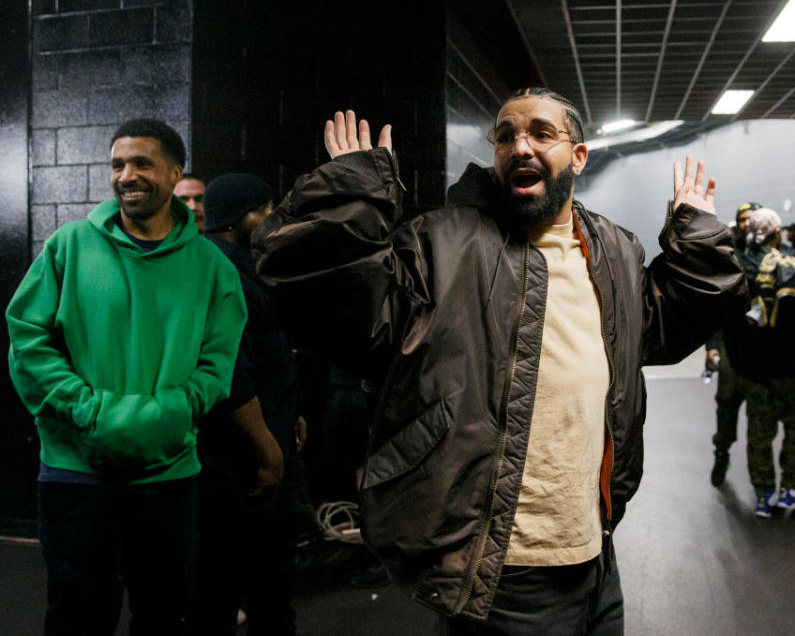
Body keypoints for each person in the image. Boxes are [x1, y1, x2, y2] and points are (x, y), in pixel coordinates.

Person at [252, 88, 748, 634]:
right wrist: (346, 198)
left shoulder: (613, 250)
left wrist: (697, 239)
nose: (520, 146)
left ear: (578, 157)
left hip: (594, 551)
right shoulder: (441, 243)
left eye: (541, 132)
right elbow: (339, 306)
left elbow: (665, 326)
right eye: (506, 135)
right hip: (502, 566)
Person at [5, 119, 247, 635]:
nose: (126, 175)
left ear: (175, 172)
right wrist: (86, 409)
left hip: (168, 476)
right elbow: (28, 338)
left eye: (142, 163)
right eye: (118, 164)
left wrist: (173, 411)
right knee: (76, 615)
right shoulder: (69, 245)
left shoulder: (212, 267)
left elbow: (218, 362)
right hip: (75, 473)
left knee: (161, 614)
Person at [194, 173, 306, 635]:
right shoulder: (218, 269)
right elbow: (231, 374)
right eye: (265, 209)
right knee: (238, 588)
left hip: (260, 445)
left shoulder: (240, 262)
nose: (273, 218)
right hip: (241, 462)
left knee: (264, 584)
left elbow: (265, 354)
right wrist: (268, 450)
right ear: (242, 216)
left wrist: (290, 414)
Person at [725, 208, 795, 516]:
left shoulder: (736, 270)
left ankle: (763, 495)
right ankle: (789, 490)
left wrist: (738, 360)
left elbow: (728, 323)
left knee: (759, 432)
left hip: (755, 371)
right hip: (793, 368)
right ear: (778, 233)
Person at [706, 201, 760, 486]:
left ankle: (759, 476)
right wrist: (712, 346)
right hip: (730, 343)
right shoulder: (727, 256)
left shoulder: (771, 256)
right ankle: (721, 453)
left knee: (760, 416)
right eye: (743, 219)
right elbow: (715, 307)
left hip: (760, 350)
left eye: (754, 218)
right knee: (726, 404)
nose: (749, 223)